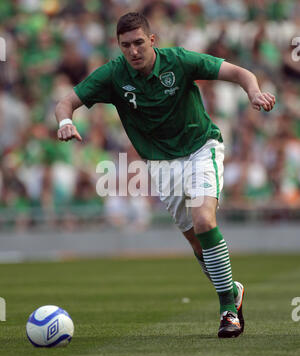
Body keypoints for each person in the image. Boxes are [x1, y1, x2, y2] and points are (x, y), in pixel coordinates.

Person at [55, 12, 275, 338]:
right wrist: (65, 122)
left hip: (201, 148)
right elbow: (66, 102)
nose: (133, 51)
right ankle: (232, 289)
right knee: (197, 242)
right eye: (126, 45)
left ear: (152, 40)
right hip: (162, 165)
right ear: (119, 45)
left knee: (204, 222)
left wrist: (253, 92)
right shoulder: (113, 74)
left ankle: (227, 309)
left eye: (139, 43)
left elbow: (239, 72)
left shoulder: (180, 61)